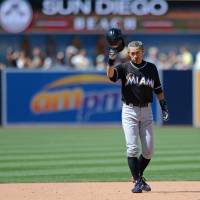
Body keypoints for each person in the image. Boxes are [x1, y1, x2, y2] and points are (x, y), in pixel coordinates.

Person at [106, 41, 169, 193]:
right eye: (131, 53)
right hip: (129, 111)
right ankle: (138, 181)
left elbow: (158, 90)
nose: (134, 55)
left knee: (148, 151)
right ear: (128, 54)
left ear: (142, 51)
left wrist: (164, 106)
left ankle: (138, 176)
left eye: (137, 52)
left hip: (147, 111)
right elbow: (110, 76)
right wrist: (110, 61)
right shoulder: (124, 67)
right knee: (132, 148)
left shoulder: (151, 68)